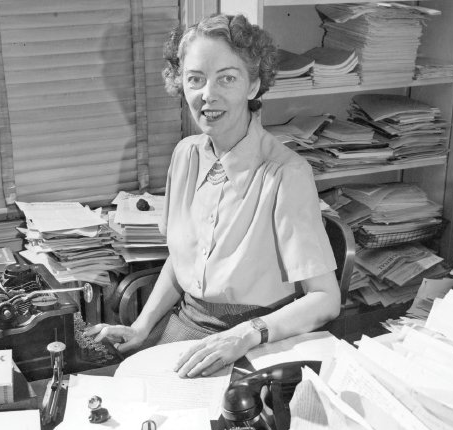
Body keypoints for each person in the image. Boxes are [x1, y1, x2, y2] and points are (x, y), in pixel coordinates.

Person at [88, 13, 340, 378]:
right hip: (187, 327)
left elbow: (326, 300)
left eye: (228, 78)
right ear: (181, 85)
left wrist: (246, 334)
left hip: (258, 341)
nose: (208, 94)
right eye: (195, 79)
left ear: (253, 85)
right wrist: (141, 327)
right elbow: (182, 260)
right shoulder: (185, 155)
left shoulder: (287, 174)